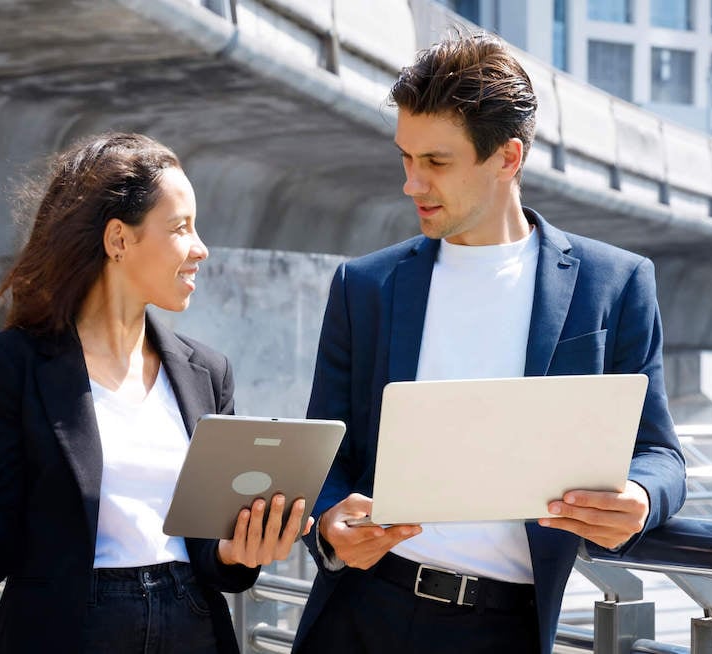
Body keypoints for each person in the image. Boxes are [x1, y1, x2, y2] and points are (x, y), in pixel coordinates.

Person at [0, 133, 311, 653]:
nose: (201, 248)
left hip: (193, 630)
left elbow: (214, 559)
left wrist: (237, 551)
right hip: (66, 634)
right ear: (119, 240)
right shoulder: (10, 365)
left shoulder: (207, 371)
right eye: (181, 228)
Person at [292, 32, 687, 654]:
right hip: (362, 617)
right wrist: (334, 519)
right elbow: (325, 454)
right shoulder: (364, 286)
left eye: (437, 163)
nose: (412, 184)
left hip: (506, 628)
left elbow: (660, 455)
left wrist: (640, 497)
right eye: (406, 157)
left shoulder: (615, 283)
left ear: (508, 157)